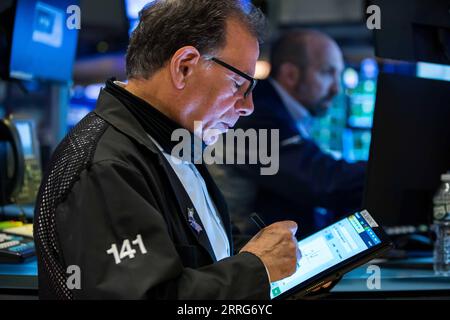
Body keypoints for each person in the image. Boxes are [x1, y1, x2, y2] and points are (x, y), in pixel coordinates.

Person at [33, 0, 302, 299]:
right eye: (239, 83)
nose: (247, 107)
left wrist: (259, 256)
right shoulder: (107, 167)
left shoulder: (172, 139)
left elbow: (198, 255)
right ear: (184, 66)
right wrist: (255, 269)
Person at [208, 30, 367, 236]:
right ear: (291, 74)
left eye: (339, 75)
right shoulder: (255, 116)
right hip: (245, 255)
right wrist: (389, 173)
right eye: (327, 73)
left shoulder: (285, 112)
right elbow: (321, 182)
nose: (337, 88)